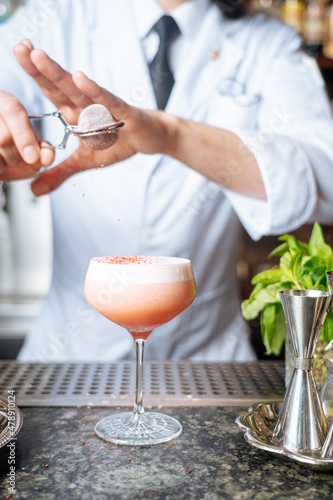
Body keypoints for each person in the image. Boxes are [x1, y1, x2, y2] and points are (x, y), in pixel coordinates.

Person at [0, 0, 333, 362]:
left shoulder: (269, 40)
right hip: (72, 354)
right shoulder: (53, 15)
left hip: (205, 359)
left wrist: (170, 135)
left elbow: (325, 175)